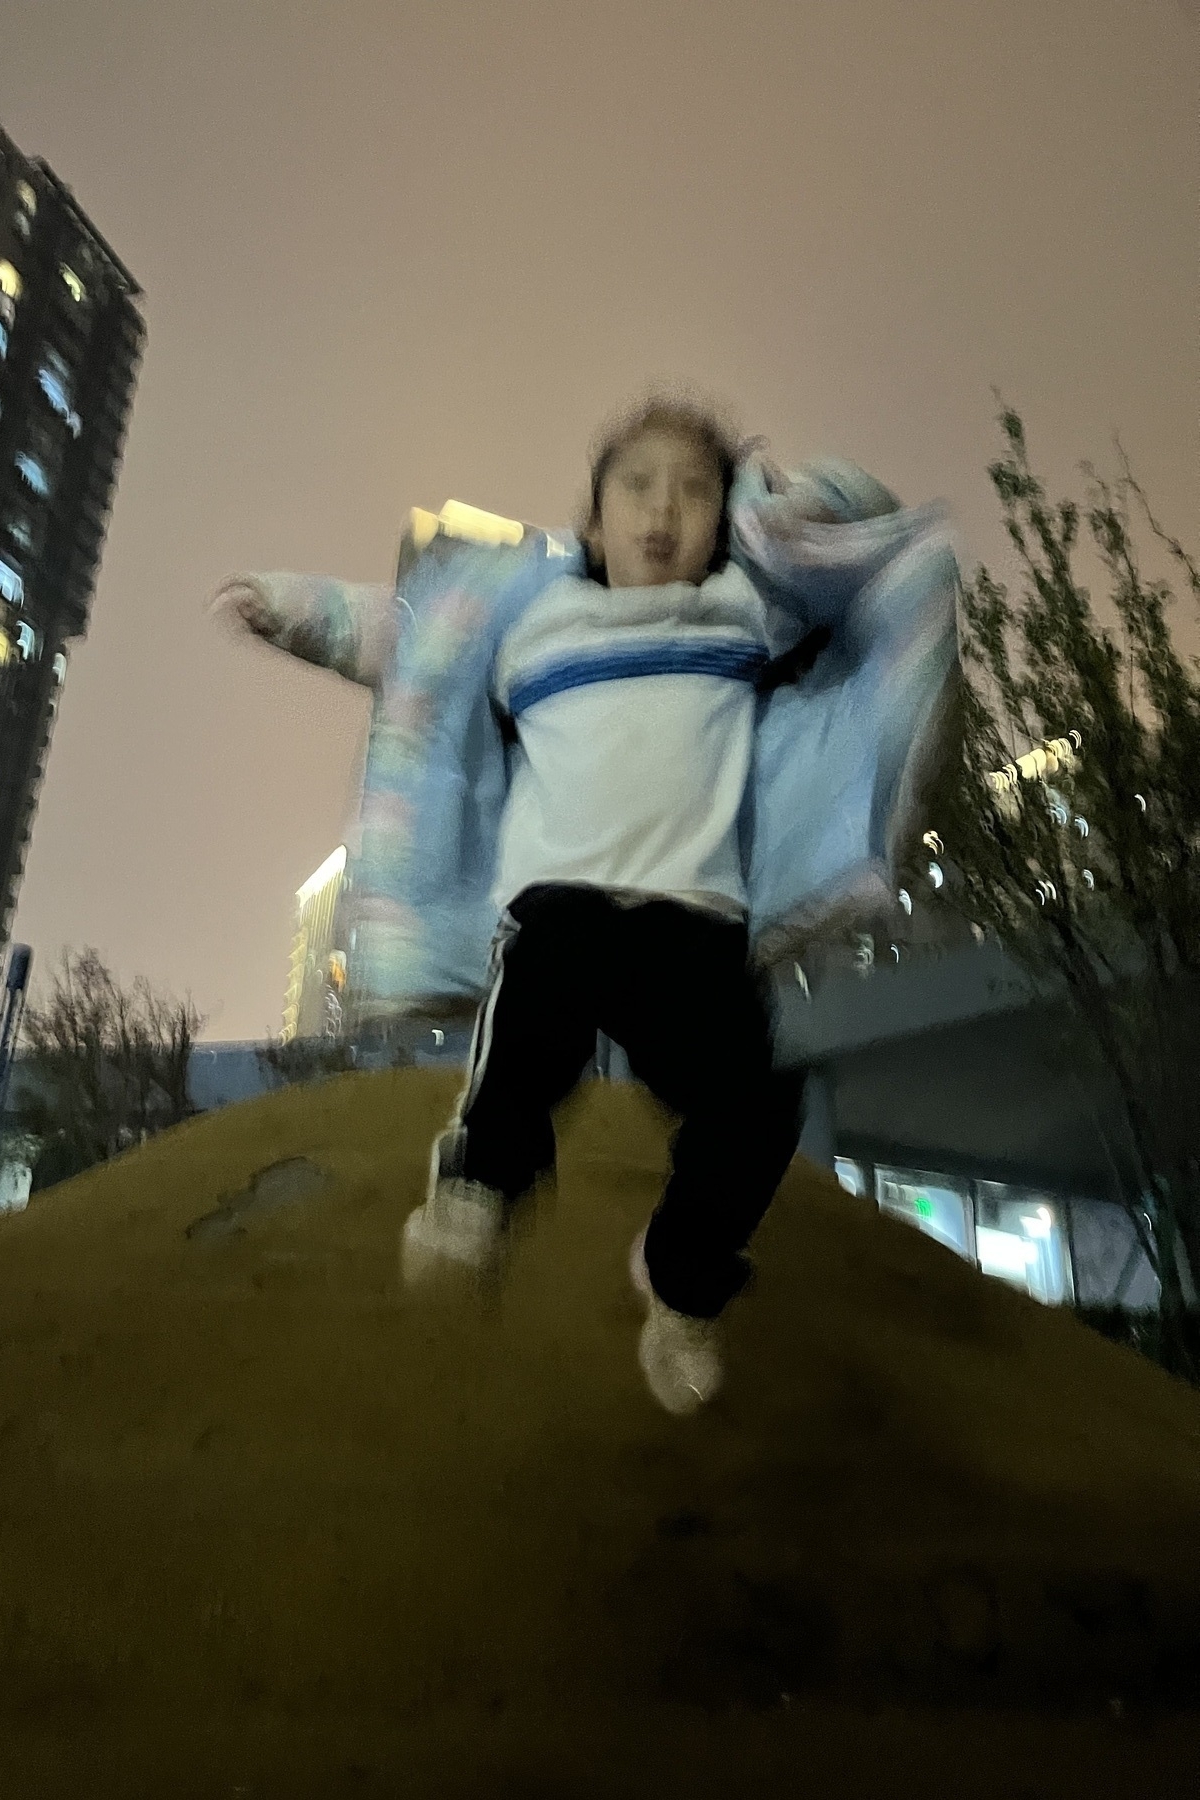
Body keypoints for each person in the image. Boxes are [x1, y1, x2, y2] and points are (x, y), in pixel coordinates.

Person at [212, 395, 954, 1419]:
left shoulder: (740, 614)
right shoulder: (530, 615)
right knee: (531, 1031)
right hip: (563, 905)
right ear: (592, 524)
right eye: (638, 488)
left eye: (697, 494)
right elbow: (405, 632)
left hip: (696, 926)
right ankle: (480, 1187)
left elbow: (860, 551)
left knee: (756, 1107)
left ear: (723, 523)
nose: (665, 512)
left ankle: (684, 1280)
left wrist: (781, 514)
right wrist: (293, 609)